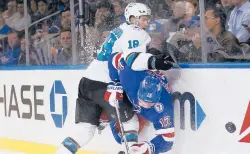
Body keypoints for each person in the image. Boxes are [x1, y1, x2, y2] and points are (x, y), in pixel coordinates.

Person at [54, 2, 173, 154]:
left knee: (85, 131)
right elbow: (132, 60)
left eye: (147, 18)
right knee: (130, 124)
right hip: (105, 83)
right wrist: (154, 62)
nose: (146, 22)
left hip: (86, 83)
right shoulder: (135, 32)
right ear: (133, 18)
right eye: (143, 18)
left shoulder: (120, 29)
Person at [106, 53, 175, 154]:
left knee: (134, 145)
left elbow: (168, 141)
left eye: (149, 103)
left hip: (147, 110)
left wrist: (148, 148)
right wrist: (115, 83)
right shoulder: (130, 76)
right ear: (139, 91)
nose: (145, 105)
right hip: (127, 98)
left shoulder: (164, 108)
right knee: (120, 135)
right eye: (142, 101)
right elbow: (113, 58)